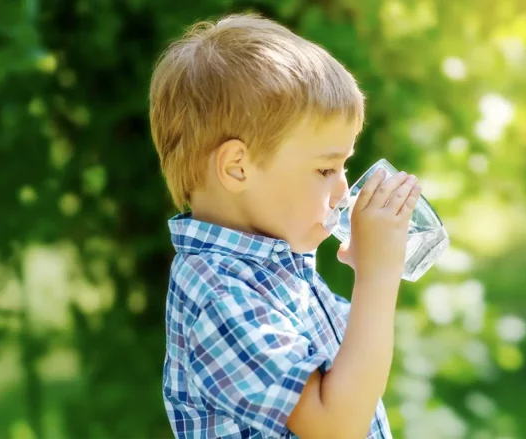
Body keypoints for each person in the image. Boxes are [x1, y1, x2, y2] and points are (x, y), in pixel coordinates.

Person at [149, 12, 421, 439]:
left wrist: (371, 265)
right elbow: (334, 426)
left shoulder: (279, 265)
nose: (342, 190)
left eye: (343, 166)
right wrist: (377, 278)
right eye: (324, 169)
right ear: (237, 168)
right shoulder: (218, 292)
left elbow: (353, 369)